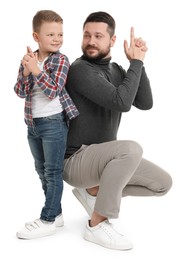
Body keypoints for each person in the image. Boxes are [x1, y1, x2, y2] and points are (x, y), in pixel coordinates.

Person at [63, 11, 172, 250]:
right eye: (87, 35)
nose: (91, 41)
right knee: (131, 149)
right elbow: (121, 101)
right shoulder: (80, 70)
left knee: (162, 183)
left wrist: (138, 63)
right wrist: (136, 63)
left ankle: (93, 192)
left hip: (104, 162)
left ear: (112, 41)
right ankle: (97, 224)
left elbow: (144, 103)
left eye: (98, 36)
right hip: (75, 160)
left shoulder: (116, 70)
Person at [14, 10, 79, 240]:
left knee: (53, 172)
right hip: (32, 124)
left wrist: (35, 70)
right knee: (41, 170)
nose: (56, 39)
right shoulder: (30, 59)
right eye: (50, 34)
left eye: (60, 34)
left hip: (53, 123)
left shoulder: (60, 60)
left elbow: (53, 91)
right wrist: (25, 71)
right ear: (36, 36)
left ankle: (48, 219)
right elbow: (20, 91)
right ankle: (57, 214)